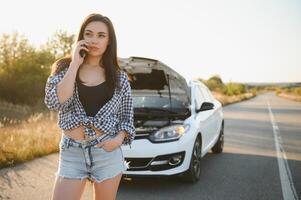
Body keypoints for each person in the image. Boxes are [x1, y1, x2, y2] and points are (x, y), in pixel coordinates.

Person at [44, 13, 135, 200]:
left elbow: (127, 118)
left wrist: (118, 140)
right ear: (81, 37)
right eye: (89, 34)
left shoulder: (119, 78)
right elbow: (55, 102)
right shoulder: (64, 68)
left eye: (101, 35)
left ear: (109, 41)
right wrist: (75, 64)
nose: (94, 40)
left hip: (106, 153)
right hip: (72, 153)